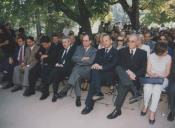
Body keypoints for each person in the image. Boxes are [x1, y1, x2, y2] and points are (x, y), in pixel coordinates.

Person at [107, 34, 147, 119]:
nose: (130, 43)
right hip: (124, 76)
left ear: (137, 42)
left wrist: (134, 74)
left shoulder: (143, 53)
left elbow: (143, 69)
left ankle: (117, 110)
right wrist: (128, 72)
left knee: (123, 84)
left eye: (132, 41)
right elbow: (119, 64)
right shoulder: (122, 51)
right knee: (118, 69)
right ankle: (135, 92)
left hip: (135, 78)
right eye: (129, 41)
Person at [81, 34, 118, 114]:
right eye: (103, 41)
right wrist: (94, 65)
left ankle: (90, 103)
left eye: (106, 40)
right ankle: (91, 102)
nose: (104, 43)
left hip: (109, 76)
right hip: (98, 75)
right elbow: (95, 62)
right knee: (94, 73)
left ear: (111, 41)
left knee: (94, 79)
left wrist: (101, 67)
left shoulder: (116, 52)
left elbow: (113, 65)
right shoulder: (100, 51)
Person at [57, 33, 96, 107]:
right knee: (76, 76)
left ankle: (65, 90)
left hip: (87, 72)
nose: (84, 42)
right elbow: (73, 58)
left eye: (86, 41)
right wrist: (82, 58)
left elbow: (90, 61)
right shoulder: (78, 48)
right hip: (78, 70)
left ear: (90, 41)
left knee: (75, 71)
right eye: (83, 41)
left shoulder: (94, 50)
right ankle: (78, 98)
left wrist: (79, 60)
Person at [141, 43, 171, 124]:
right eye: (166, 50)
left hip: (162, 79)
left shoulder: (168, 57)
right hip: (150, 77)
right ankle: (146, 105)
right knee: (147, 88)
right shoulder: (151, 56)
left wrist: (160, 75)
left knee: (156, 89)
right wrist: (152, 74)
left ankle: (152, 112)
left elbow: (167, 73)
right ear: (160, 52)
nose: (167, 51)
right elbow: (148, 70)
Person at [44, 36, 76, 102]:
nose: (63, 44)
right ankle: (55, 94)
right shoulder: (61, 50)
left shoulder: (73, 50)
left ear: (69, 42)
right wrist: (57, 64)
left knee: (55, 72)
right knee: (56, 74)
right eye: (62, 42)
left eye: (65, 42)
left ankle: (47, 84)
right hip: (59, 69)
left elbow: (72, 62)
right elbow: (57, 59)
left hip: (68, 69)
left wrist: (62, 65)